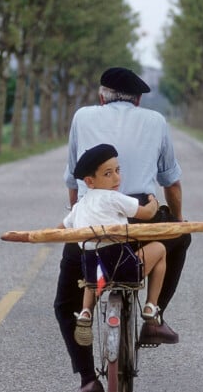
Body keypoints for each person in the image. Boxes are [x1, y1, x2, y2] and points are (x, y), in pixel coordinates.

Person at [55, 66, 191, 392]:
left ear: (101, 98)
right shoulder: (156, 121)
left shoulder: (82, 117)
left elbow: (74, 181)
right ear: (139, 100)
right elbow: (171, 183)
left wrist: (79, 217)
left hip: (93, 224)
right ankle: (153, 314)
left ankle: (88, 380)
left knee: (65, 301)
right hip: (139, 215)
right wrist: (175, 220)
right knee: (180, 236)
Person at [61, 143, 167, 347]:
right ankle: (151, 306)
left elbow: (62, 228)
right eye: (108, 174)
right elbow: (147, 214)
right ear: (90, 181)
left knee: (91, 273)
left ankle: (86, 312)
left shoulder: (80, 205)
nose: (117, 178)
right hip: (124, 268)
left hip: (97, 274)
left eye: (117, 171)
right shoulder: (113, 198)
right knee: (160, 249)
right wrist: (153, 201)